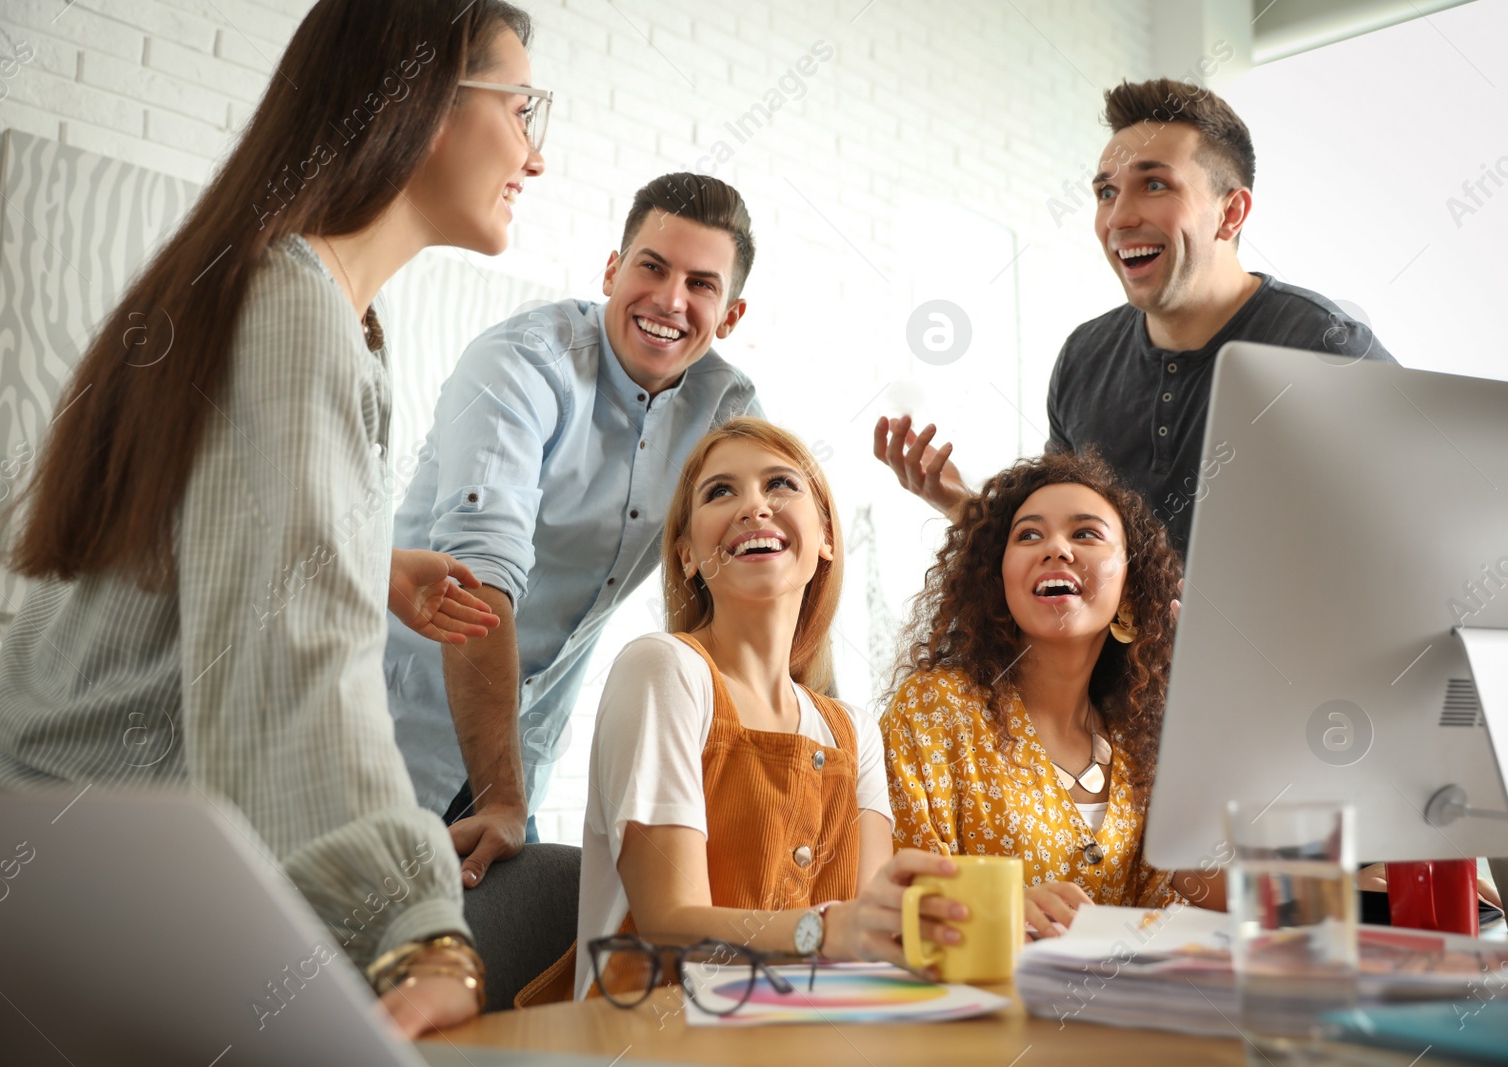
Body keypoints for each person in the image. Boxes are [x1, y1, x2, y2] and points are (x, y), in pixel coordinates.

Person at [0, 0, 545, 1036]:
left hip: (33, 861)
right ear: (425, 103)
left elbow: (215, 573)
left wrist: (367, 560)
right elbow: (286, 659)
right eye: (523, 107)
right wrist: (417, 924)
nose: (535, 156)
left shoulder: (299, 294)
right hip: (85, 891)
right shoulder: (293, 308)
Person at [385, 173, 763, 888]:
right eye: (652, 267)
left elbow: (768, 584)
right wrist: (502, 797)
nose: (670, 301)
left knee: (492, 982)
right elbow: (478, 573)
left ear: (731, 313)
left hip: (517, 758)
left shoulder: (729, 410)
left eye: (701, 284)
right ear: (614, 269)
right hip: (384, 736)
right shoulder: (524, 363)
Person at [874, 77, 1396, 559]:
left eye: (1155, 186)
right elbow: (1073, 556)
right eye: (1106, 192)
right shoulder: (1084, 358)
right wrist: (961, 504)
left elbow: (1405, 545)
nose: (1119, 218)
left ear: (1230, 213)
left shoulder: (1325, 348)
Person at [576, 418, 964, 999]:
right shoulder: (663, 669)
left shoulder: (854, 731)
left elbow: (873, 930)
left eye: (780, 484)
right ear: (686, 556)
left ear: (827, 536)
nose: (754, 507)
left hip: (803, 1035)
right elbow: (669, 923)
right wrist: (825, 930)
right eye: (720, 491)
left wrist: (998, 919)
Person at [881, 451, 1226, 937]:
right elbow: (896, 896)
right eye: (1029, 534)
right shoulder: (934, 707)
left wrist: (1217, 697)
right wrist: (1001, 909)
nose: (1057, 548)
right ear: (998, 582)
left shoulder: (1139, 742)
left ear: (1130, 591)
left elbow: (1209, 906)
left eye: (1085, 533)